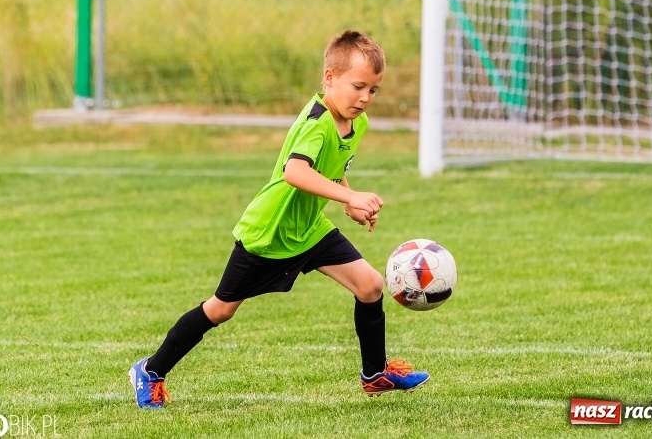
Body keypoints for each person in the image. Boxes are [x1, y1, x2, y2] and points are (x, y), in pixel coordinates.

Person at [128, 30, 429, 409]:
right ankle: (151, 371)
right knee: (220, 309)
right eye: (358, 87)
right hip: (270, 234)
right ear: (329, 78)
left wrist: (345, 201)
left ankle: (375, 374)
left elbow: (330, 168)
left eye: (374, 90)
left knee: (369, 286)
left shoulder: (356, 123)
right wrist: (350, 196)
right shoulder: (316, 123)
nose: (365, 98)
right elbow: (296, 172)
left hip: (309, 229)